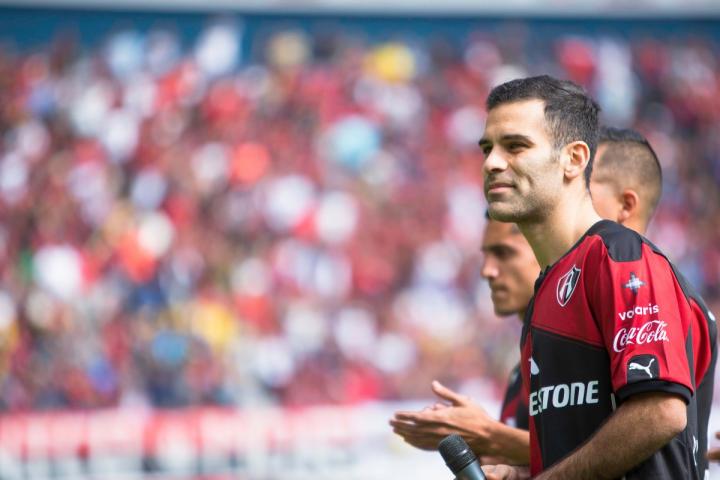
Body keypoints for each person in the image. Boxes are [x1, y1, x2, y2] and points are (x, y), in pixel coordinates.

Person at [389, 126, 704, 468]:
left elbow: (652, 424)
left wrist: (490, 435)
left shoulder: (662, 297)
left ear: (625, 204)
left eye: (504, 253)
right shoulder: (537, 347)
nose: (488, 271)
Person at [476, 75, 714, 480]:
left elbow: (660, 412)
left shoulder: (620, 256)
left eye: (515, 146)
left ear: (574, 159)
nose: (492, 163)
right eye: (487, 148)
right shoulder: (547, 288)